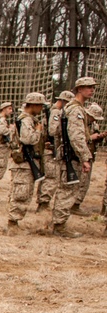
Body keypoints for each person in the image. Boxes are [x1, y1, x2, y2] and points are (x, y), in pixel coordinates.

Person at [49, 76, 97, 238]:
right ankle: (59, 226)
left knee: (67, 189)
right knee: (68, 190)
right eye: (88, 87)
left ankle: (59, 223)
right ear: (79, 89)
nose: (91, 90)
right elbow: (76, 136)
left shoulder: (73, 108)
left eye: (93, 87)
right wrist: (85, 157)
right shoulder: (75, 109)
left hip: (69, 155)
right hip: (72, 156)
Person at [5, 93, 47, 235]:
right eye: (40, 105)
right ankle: (12, 224)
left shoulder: (29, 119)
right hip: (23, 163)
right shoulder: (26, 120)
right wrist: (38, 132)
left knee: (25, 193)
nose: (41, 108)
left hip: (27, 162)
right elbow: (27, 138)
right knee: (21, 193)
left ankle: (14, 222)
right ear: (33, 105)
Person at [38, 91, 75, 212]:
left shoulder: (54, 112)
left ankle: (43, 201)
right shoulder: (55, 112)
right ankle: (43, 203)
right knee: (51, 177)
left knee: (50, 176)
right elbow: (53, 131)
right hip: (51, 149)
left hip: (52, 148)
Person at [74, 102, 104, 212]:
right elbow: (78, 139)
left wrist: (99, 137)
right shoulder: (80, 122)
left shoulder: (94, 125)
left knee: (85, 182)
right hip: (80, 155)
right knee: (78, 182)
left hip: (90, 154)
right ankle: (73, 204)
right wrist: (91, 137)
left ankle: (77, 204)